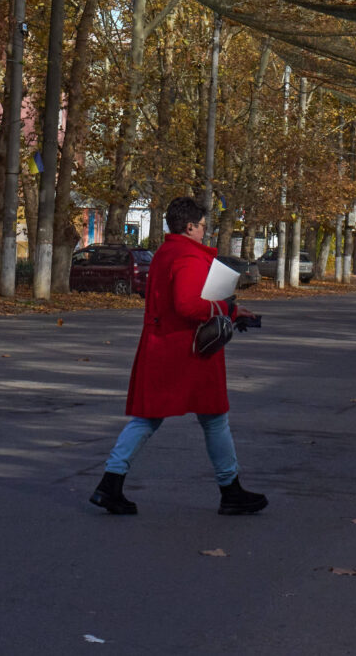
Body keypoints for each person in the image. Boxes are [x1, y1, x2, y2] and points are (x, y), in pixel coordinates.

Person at [90, 196, 267, 516]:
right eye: (202, 226)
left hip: (164, 346)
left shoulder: (166, 253)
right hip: (188, 350)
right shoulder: (187, 257)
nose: (205, 232)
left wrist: (231, 310)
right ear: (189, 226)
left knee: (149, 417)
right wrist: (229, 309)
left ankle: (110, 483)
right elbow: (187, 305)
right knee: (214, 418)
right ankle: (231, 490)